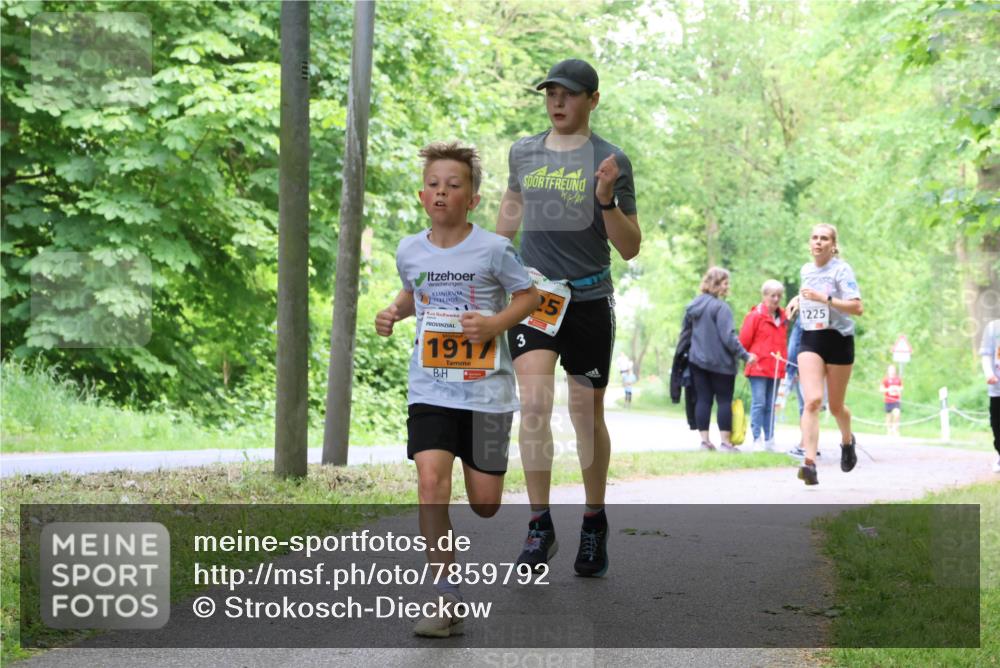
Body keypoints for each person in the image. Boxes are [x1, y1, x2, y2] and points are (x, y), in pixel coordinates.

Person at [375, 141, 539, 636]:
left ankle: (484, 488)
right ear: (422, 196)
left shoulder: (494, 249)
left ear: (473, 199)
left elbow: (528, 296)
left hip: (487, 393)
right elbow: (414, 292)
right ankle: (446, 599)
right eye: (433, 184)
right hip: (430, 388)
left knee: (485, 504)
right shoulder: (409, 249)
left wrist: (493, 325)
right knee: (430, 484)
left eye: (453, 185)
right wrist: (394, 312)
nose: (442, 192)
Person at [497, 58, 641, 578]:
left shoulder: (611, 160)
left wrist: (605, 200)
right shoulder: (524, 152)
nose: (558, 101)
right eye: (550, 93)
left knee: (585, 412)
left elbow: (630, 246)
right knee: (534, 405)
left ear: (593, 100)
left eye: (570, 93)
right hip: (534, 298)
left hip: (588, 300)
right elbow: (507, 220)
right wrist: (485, 271)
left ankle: (594, 521)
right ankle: (539, 526)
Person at [785, 223, 863, 485]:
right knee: (813, 401)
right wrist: (798, 300)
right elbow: (809, 295)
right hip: (812, 337)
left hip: (839, 339)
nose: (818, 242)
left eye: (825, 238)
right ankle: (809, 463)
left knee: (836, 406)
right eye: (815, 237)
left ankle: (847, 441)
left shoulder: (842, 270)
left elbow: (857, 308)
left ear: (833, 245)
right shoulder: (806, 270)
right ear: (810, 243)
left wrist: (824, 299)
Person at [683, 267, 757, 452]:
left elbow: (686, 333)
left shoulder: (693, 306)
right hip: (721, 364)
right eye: (725, 283)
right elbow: (728, 338)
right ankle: (725, 443)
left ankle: (705, 442)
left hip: (697, 361)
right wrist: (746, 355)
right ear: (716, 284)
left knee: (703, 399)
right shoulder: (721, 308)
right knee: (724, 401)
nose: (727, 287)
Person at [739, 279, 788, 451]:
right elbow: (743, 342)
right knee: (759, 403)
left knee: (770, 406)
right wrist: (748, 358)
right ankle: (756, 439)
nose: (776, 299)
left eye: (779, 296)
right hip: (758, 368)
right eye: (773, 295)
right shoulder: (754, 316)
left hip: (776, 368)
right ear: (764, 295)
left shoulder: (783, 318)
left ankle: (769, 440)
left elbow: (783, 343)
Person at [979, 319, 1000, 473]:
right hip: (997, 388)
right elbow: (986, 354)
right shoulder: (993, 328)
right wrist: (989, 373)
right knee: (997, 425)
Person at [880, 364, 903, 437]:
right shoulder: (885, 380)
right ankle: (889, 430)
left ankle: (895, 429)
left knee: (897, 413)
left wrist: (898, 389)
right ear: (888, 371)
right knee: (889, 416)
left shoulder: (898, 379)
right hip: (888, 400)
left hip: (896, 400)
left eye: (893, 369)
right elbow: (881, 389)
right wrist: (888, 389)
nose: (892, 371)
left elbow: (901, 388)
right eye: (890, 369)